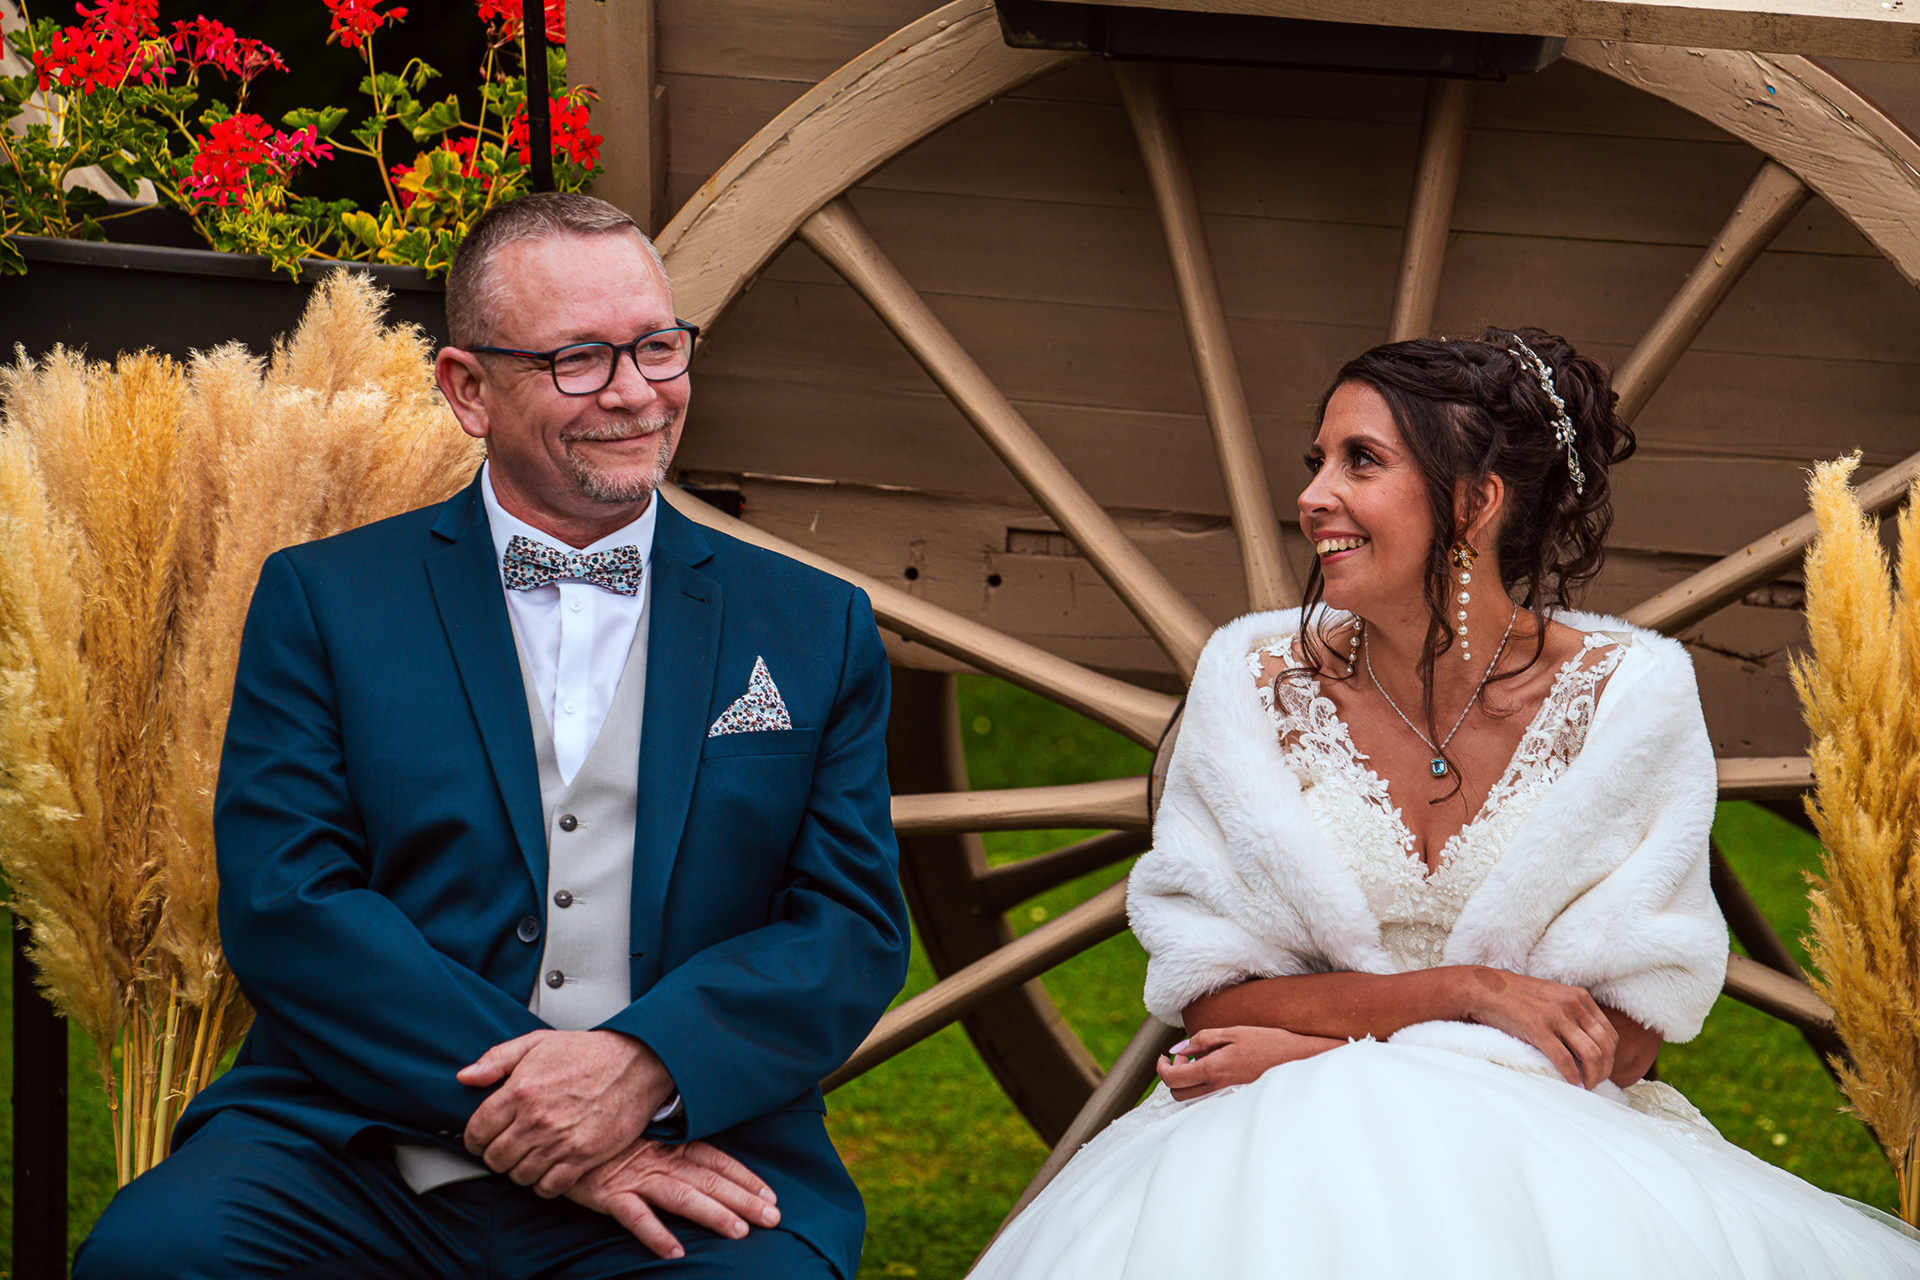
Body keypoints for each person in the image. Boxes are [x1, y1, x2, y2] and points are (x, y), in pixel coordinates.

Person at [75, 193, 910, 1279]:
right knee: (156, 1257)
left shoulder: (812, 624)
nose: (635, 392)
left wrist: (642, 1067)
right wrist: (550, 1115)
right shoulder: (325, 601)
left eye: (658, 346)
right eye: (579, 359)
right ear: (468, 389)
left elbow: (846, 925)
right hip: (358, 1145)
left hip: (687, 1147)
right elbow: (289, 902)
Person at [970, 328, 1920, 1278]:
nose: (1312, 497)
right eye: (1316, 461)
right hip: (1273, 1154)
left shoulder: (1631, 698)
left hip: (1546, 1156)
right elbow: (1214, 995)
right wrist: (1471, 993)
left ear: (1474, 501)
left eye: (1361, 461)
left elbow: (1622, 1039)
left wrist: (1311, 1053)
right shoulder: (1250, 681)